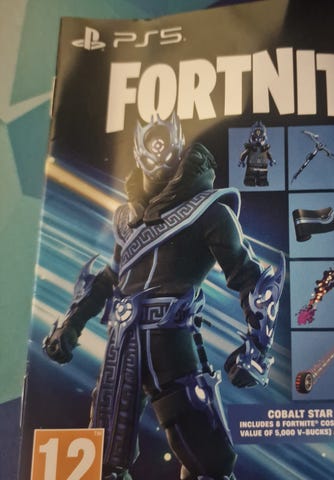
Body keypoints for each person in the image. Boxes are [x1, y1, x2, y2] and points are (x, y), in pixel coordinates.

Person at [43, 113, 284, 480]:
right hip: (122, 346)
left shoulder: (208, 212)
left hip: (171, 344)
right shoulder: (128, 221)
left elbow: (251, 278)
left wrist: (257, 348)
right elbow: (110, 279)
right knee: (104, 464)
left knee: (210, 464)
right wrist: (71, 325)